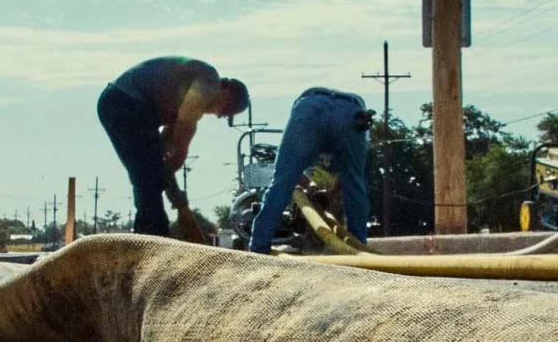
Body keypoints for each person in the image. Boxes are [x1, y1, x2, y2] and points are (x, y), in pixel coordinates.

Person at [98, 57, 250, 236]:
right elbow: (185, 121)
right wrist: (179, 156)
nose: (219, 115)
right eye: (226, 110)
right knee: (148, 179)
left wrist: (173, 186)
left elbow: (166, 148)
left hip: (125, 104)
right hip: (126, 102)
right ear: (226, 91)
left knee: (149, 177)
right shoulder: (209, 80)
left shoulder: (184, 99)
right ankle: (153, 239)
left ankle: (149, 237)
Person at [249, 87, 372, 253]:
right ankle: (360, 249)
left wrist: (313, 189)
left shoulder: (308, 142)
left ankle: (258, 248)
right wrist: (327, 192)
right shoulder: (339, 154)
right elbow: (349, 177)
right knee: (355, 186)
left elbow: (289, 171)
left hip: (310, 106)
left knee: (281, 183)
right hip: (351, 111)